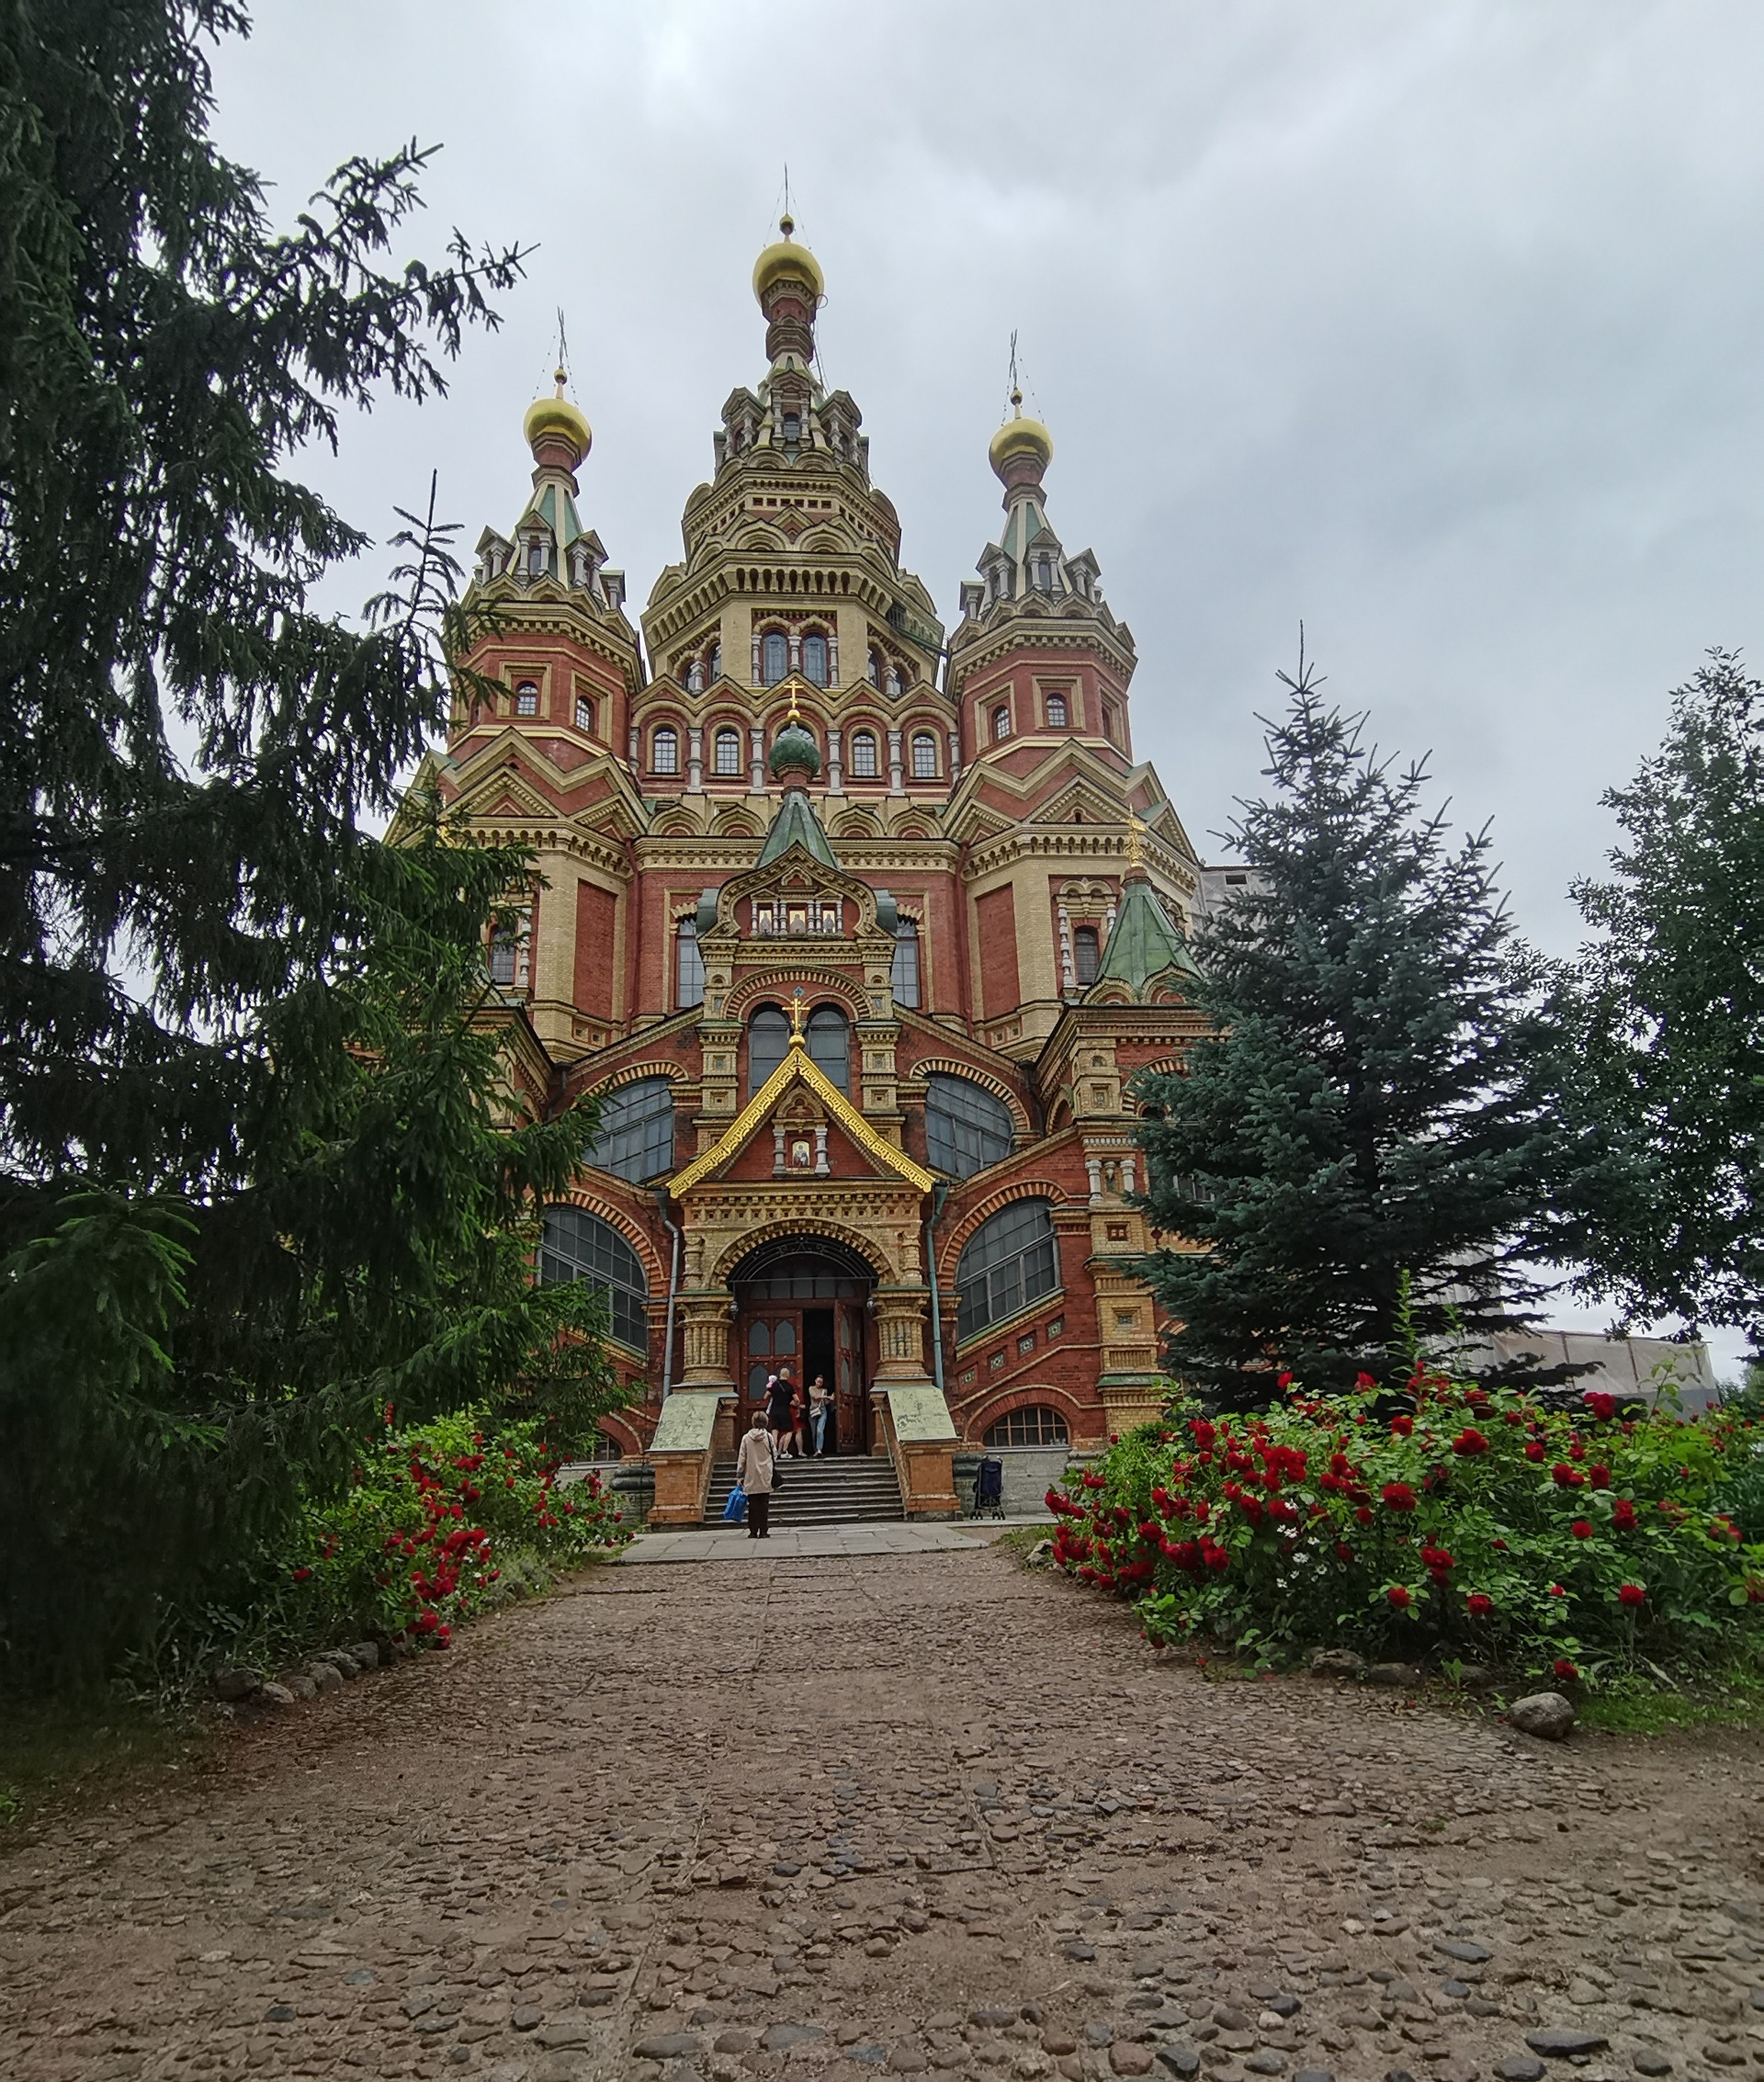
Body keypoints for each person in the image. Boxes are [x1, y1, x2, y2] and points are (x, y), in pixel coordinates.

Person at [735, 1409, 775, 1539]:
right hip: (765, 1474)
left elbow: (742, 1457)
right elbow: (774, 1454)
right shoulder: (768, 1437)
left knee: (753, 1505)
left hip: (751, 1474)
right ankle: (764, 1531)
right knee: (764, 1504)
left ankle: (753, 1531)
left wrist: (740, 1475)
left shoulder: (746, 1438)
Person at [767, 1363, 795, 1456]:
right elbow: (797, 1400)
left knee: (775, 1431)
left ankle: (774, 1452)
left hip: (774, 1411)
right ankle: (784, 1451)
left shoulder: (774, 1385)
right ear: (788, 1375)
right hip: (785, 1411)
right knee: (789, 1430)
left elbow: (766, 1395)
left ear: (780, 1374)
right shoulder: (789, 1386)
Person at [808, 1374, 831, 1457]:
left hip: (822, 1410)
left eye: (821, 1382)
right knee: (814, 1432)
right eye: (818, 1382)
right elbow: (815, 1397)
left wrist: (831, 1400)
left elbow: (825, 1402)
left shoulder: (824, 1391)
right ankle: (815, 1449)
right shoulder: (811, 1388)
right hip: (814, 1410)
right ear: (815, 1381)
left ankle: (819, 1450)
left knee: (820, 1430)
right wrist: (827, 1396)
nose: (819, 1384)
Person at [789, 1375, 809, 1459]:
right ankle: (798, 1451)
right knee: (792, 1431)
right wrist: (799, 1406)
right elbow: (791, 1402)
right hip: (792, 1413)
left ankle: (782, 1451)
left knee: (796, 1431)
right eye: (796, 1382)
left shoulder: (796, 1391)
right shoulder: (792, 1391)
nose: (798, 1383)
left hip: (793, 1412)